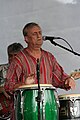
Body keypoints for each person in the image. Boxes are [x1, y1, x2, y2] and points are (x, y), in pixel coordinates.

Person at [4, 22, 76, 120]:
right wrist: (23, 84)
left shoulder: (49, 57)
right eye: (34, 34)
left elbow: (59, 78)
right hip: (25, 111)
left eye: (40, 33)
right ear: (26, 39)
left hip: (48, 107)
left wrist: (68, 80)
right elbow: (8, 86)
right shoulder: (18, 60)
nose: (39, 36)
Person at [0, 42, 24, 120]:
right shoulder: (1, 69)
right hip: (4, 110)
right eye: (10, 56)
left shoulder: (29, 71)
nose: (12, 58)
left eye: (16, 56)